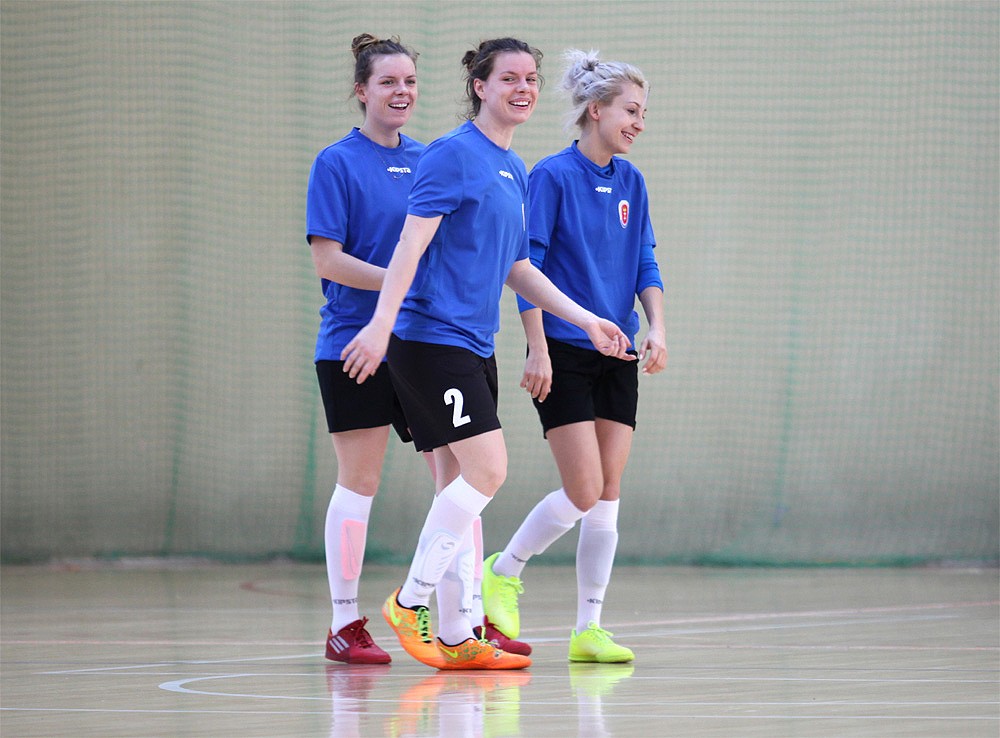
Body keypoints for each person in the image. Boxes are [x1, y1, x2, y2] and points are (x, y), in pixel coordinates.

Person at [341, 38, 635, 671]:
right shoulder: (451, 155)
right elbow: (410, 248)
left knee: (459, 489)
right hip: (430, 342)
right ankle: (410, 601)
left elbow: (519, 268)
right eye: (509, 78)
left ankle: (455, 636)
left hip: (475, 345)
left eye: (531, 78)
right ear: (480, 86)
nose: (523, 88)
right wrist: (380, 326)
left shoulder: (513, 168)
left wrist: (588, 320)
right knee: (489, 470)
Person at [481, 49, 667, 663]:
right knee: (583, 488)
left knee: (608, 492)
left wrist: (657, 327)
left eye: (643, 113)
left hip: (617, 350)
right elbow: (525, 266)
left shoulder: (632, 182)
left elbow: (645, 261)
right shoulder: (552, 176)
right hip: (564, 350)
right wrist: (536, 348)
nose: (639, 123)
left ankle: (589, 628)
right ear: (596, 110)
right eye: (631, 111)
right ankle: (503, 571)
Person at [305, 33, 427, 665]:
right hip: (353, 342)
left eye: (409, 81)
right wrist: (397, 282)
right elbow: (328, 259)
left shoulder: (431, 160)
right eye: (387, 82)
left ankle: (462, 619)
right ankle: (344, 621)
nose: (401, 92)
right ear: (361, 90)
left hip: (426, 344)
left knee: (462, 477)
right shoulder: (336, 163)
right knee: (361, 482)